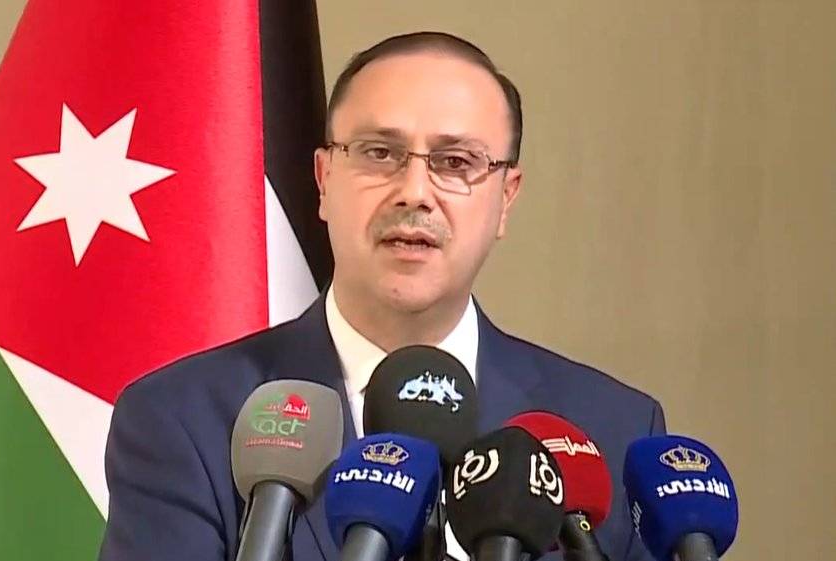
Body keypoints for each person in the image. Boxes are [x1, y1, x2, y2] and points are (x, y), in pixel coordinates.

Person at [98, 31, 665, 561]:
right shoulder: (184, 418)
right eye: (378, 153)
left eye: (456, 162)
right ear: (324, 180)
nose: (414, 193)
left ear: (506, 199)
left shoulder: (613, 430)